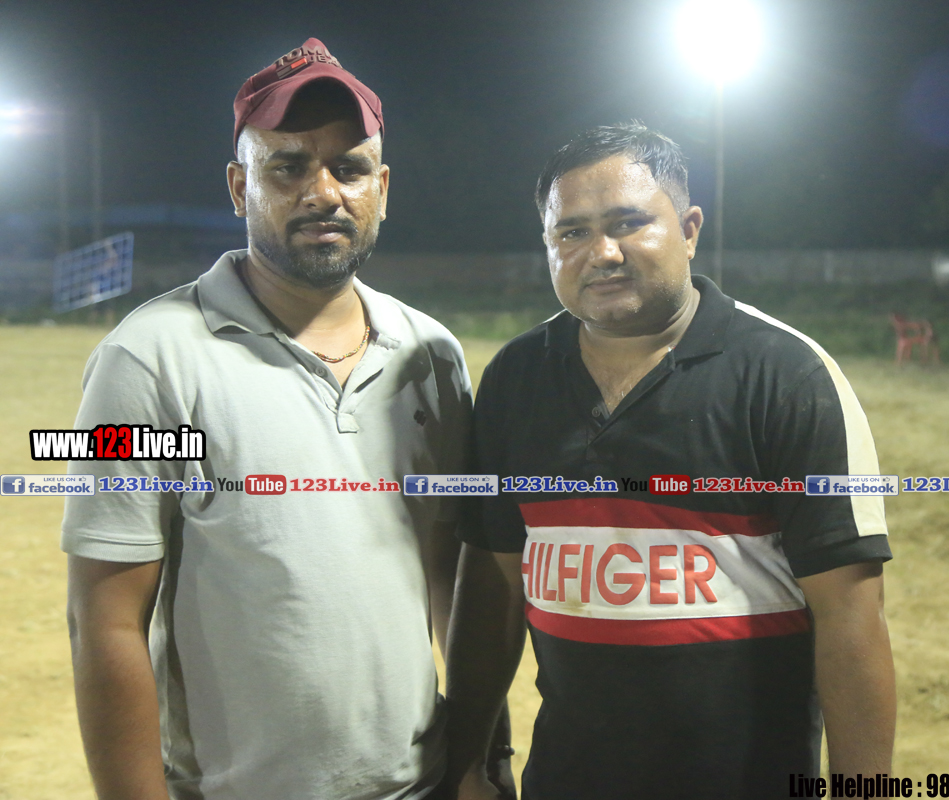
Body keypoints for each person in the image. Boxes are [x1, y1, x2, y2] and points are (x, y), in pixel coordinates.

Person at [62, 39, 494, 800]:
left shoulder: (431, 355)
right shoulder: (145, 359)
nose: (323, 192)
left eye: (348, 168)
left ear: (382, 188)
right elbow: (105, 620)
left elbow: (451, 576)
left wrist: (482, 760)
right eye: (287, 167)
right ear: (239, 187)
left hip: (417, 786)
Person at [445, 123, 895, 800]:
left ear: (688, 230)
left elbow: (850, 619)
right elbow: (493, 588)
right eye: (572, 232)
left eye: (628, 223)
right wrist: (468, 764)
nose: (603, 252)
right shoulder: (515, 379)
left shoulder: (787, 376)